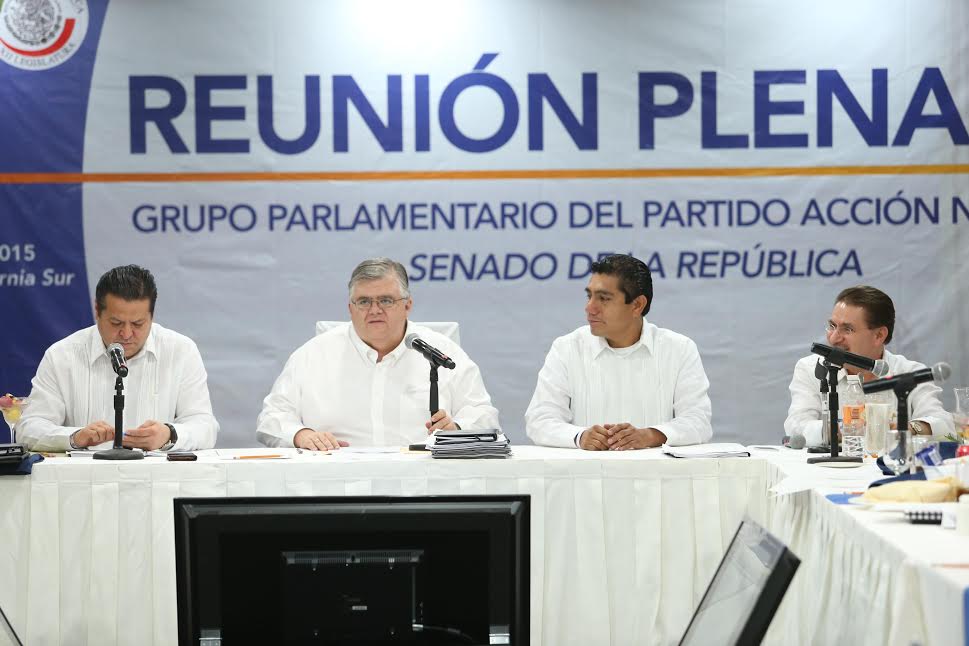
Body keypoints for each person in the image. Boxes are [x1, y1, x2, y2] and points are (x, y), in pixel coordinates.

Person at [256, 257, 500, 450]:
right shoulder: (312, 355)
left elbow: (484, 415)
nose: (374, 310)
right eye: (363, 302)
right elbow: (272, 418)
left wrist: (457, 428)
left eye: (386, 300)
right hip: (336, 488)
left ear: (408, 305)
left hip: (424, 488)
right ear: (350, 308)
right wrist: (301, 435)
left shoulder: (441, 352)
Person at [19, 265, 219, 452]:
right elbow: (29, 428)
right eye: (116, 323)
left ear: (152, 315)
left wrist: (169, 435)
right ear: (97, 311)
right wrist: (74, 437)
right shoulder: (62, 355)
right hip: (84, 482)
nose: (126, 333)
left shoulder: (181, 351)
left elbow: (205, 426)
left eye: (138, 323)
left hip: (157, 481)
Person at [525, 254, 712, 450]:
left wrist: (650, 435)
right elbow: (540, 420)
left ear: (637, 305)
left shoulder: (679, 349)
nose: (590, 308)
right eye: (589, 296)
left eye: (603, 298)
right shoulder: (567, 348)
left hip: (654, 477)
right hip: (587, 477)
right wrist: (580, 436)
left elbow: (698, 422)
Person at [785, 285, 953, 446]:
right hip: (832, 471)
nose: (834, 338)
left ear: (879, 335)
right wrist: (847, 429)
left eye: (847, 329)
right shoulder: (810, 368)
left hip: (891, 468)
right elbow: (796, 426)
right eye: (832, 326)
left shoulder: (909, 372)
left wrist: (905, 428)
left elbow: (944, 426)